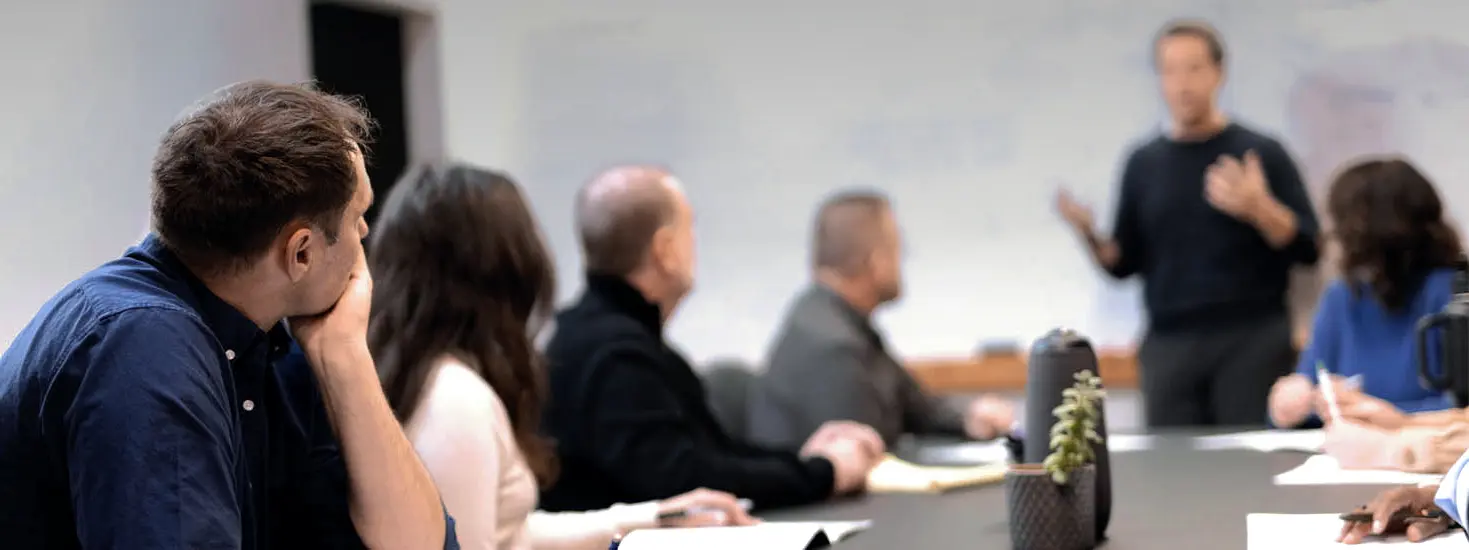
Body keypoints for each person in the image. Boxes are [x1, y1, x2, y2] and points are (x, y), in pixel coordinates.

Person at [0, 81, 456, 549]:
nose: (364, 233)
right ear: (301, 252)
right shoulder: (143, 348)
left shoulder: (275, 347)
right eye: (358, 215)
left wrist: (344, 356)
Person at [367, 163, 754, 549]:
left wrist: (654, 518)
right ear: (511, 263)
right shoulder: (454, 400)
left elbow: (513, 533)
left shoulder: (433, 382)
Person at [539, 166, 884, 513]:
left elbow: (712, 455)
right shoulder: (617, 356)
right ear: (665, 250)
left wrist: (807, 461)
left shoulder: (603, 338)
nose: (695, 243)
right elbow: (687, 480)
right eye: (690, 228)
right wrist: (825, 473)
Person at [1054, 20, 1320, 427]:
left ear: (1219, 73)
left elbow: (1309, 248)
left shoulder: (1259, 152)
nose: (1182, 84)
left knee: (1249, 453)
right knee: (1170, 457)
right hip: (1170, 341)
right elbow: (1122, 264)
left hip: (1251, 336)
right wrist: (1088, 233)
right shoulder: (1143, 163)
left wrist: (1260, 208)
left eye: (1194, 68)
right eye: (1170, 70)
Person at [748, 190, 1015, 449]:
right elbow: (860, 458)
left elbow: (915, 406)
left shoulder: (846, 325)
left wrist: (969, 418)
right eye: (898, 251)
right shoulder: (832, 348)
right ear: (877, 262)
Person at [1268, 158, 1461, 430]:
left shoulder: (1451, 295)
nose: (1335, 237)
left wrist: (1391, 417)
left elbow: (1461, 410)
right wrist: (1289, 406)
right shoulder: (1342, 296)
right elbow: (1309, 385)